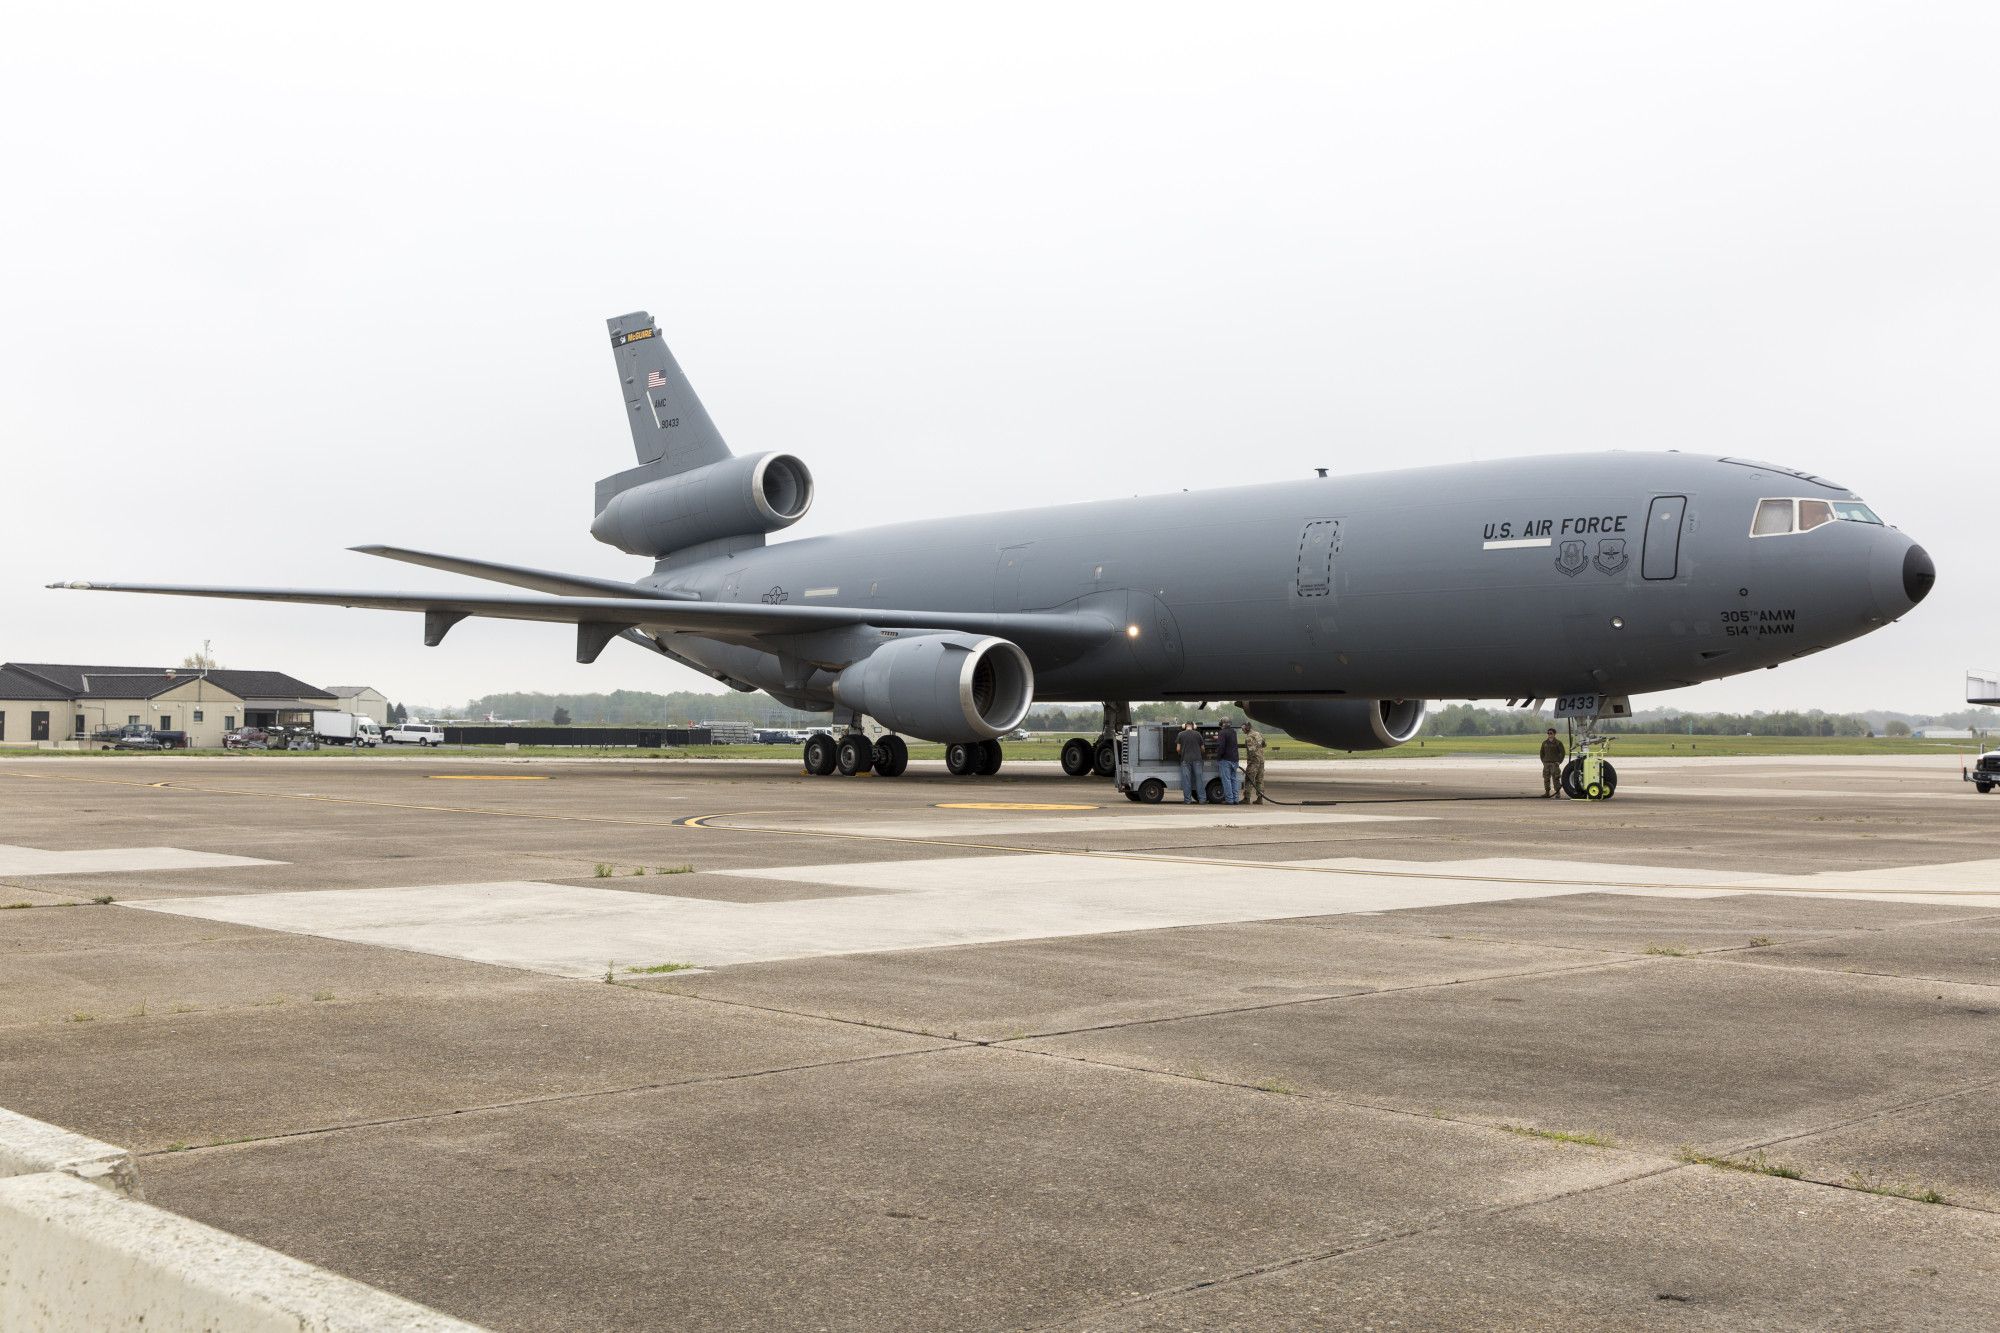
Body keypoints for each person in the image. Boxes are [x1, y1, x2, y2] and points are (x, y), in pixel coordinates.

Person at [1175, 721, 1205, 803]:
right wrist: (1199, 752)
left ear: (1185, 726)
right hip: (1197, 760)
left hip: (1185, 760)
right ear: (1193, 726)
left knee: (1186, 781)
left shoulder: (1180, 734)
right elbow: (1203, 748)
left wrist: (1181, 754)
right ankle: (1202, 800)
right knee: (1199, 780)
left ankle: (1187, 800)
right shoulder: (1198, 734)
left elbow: (1178, 749)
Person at [1215, 718, 1241, 804]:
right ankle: (1236, 799)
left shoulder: (1222, 733)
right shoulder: (1233, 732)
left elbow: (1221, 747)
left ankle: (1229, 800)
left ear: (1221, 724)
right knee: (1233, 779)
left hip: (1225, 760)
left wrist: (1218, 757)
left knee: (1226, 780)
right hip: (1235, 759)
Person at [1242, 722, 1267, 803]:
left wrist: (1251, 763)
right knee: (1259, 780)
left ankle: (1247, 798)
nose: (1242, 730)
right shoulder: (1258, 734)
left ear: (1246, 728)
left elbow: (1251, 750)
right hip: (1261, 761)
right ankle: (1260, 799)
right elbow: (1264, 744)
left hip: (1254, 761)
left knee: (1249, 779)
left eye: (1243, 728)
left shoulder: (1249, 738)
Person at [1539, 727, 1567, 797]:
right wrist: (1543, 761)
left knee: (1556, 779)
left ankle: (1557, 793)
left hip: (1554, 764)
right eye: (1548, 733)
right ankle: (1547, 792)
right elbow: (1541, 753)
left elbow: (1562, 753)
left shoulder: (1558, 743)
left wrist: (1559, 762)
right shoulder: (1544, 743)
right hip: (1546, 763)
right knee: (1546, 778)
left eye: (1551, 733)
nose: (1549, 735)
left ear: (1554, 734)